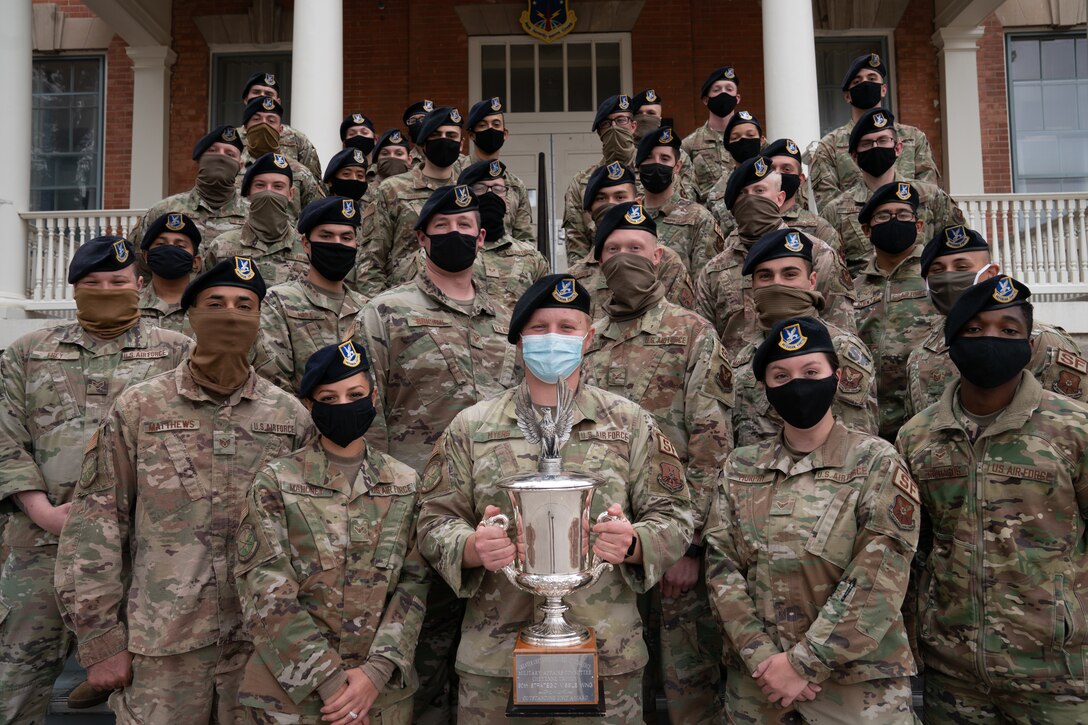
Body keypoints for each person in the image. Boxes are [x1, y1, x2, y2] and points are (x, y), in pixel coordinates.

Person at [416, 273, 694, 724]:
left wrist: (634, 542)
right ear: (519, 339)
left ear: (588, 338)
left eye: (567, 328)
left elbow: (677, 514)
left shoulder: (630, 423)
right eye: (540, 327)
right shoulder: (472, 427)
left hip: (607, 657)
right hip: (495, 663)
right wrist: (471, 547)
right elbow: (431, 520)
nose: (553, 338)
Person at [53, 258, 315, 724]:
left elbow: (310, 535)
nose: (230, 315)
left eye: (244, 305)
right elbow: (95, 526)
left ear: (258, 320)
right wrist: (100, 642)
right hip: (164, 644)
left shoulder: (289, 415)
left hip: (263, 645)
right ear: (191, 315)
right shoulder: (140, 407)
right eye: (216, 304)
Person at [0, 237, 191, 723]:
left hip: (143, 551)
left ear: (140, 286)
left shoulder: (178, 352)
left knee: (150, 692)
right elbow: (5, 437)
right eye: (94, 283)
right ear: (75, 289)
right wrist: (41, 511)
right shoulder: (27, 353)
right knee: (16, 684)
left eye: (118, 282)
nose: (107, 289)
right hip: (41, 542)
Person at [705, 316, 919, 724]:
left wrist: (803, 664)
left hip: (855, 685)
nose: (797, 384)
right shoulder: (741, 467)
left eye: (811, 372)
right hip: (759, 684)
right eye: (781, 375)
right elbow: (721, 570)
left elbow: (878, 574)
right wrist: (763, 657)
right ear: (766, 389)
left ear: (836, 378)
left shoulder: (877, 461)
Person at [357, 184, 518, 724]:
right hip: (413, 508)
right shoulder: (386, 311)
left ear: (483, 235)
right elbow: (366, 406)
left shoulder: (509, 318)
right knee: (415, 653)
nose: (455, 234)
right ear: (422, 237)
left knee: (489, 656)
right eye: (442, 227)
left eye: (465, 226)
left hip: (494, 513)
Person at [896, 275, 1088, 723]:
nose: (991, 340)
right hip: (954, 673)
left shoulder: (1073, 429)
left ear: (1029, 342)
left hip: (1058, 673)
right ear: (951, 341)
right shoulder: (918, 436)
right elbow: (911, 549)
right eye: (975, 329)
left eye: (1008, 330)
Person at [583, 202, 732, 724]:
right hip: (602, 545)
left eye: (636, 249)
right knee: (617, 682)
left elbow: (712, 443)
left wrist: (691, 545)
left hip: (673, 545)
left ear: (660, 255)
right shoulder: (585, 340)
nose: (625, 258)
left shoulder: (694, 333)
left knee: (688, 684)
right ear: (598, 261)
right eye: (613, 250)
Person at [237, 341, 428, 725]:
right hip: (293, 699)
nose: (344, 405)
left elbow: (415, 584)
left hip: (380, 696)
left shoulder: (405, 483)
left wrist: (375, 673)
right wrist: (329, 682)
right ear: (310, 405)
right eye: (329, 397)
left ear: (373, 397)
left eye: (355, 395)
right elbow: (264, 587)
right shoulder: (276, 481)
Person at [906, 224, 1088, 417]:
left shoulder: (1043, 342)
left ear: (991, 273)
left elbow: (1076, 422)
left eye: (961, 267)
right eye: (938, 270)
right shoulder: (921, 356)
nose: (949, 277)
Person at [730, 228, 878, 447]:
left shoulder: (840, 349)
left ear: (812, 281)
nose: (777, 283)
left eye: (789, 274)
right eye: (765, 276)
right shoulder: (743, 358)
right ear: (753, 286)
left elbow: (857, 444)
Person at [695, 155, 856, 351]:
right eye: (743, 193)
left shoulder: (817, 255)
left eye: (760, 190)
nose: (751, 199)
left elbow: (841, 331)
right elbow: (705, 344)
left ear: (780, 198)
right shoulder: (714, 271)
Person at [819, 108, 962, 275]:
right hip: (864, 296)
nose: (875, 147)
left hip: (924, 293)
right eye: (867, 143)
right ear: (854, 156)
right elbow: (830, 271)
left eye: (883, 140)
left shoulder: (931, 197)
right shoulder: (835, 211)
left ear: (898, 148)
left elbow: (959, 248)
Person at [851, 181, 941, 441]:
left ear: (918, 226)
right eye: (884, 216)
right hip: (868, 426)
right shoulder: (852, 289)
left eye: (903, 215)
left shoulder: (935, 277)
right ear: (867, 229)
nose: (894, 221)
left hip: (927, 422)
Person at [256, 197, 369, 395]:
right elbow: (272, 379)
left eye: (346, 238)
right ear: (306, 244)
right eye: (326, 236)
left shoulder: (368, 308)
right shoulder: (278, 301)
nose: (337, 244)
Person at [361, 106, 467, 296]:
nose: (444, 140)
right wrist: (381, 307)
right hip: (405, 303)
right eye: (436, 135)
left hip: (458, 299)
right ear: (424, 144)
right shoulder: (392, 190)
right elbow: (371, 259)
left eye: (451, 135)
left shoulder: (469, 191)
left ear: (461, 144)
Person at [809, 54, 938, 209]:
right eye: (857, 81)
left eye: (872, 79)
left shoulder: (914, 137)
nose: (865, 84)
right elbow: (829, 207)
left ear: (883, 89)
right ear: (847, 96)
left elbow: (929, 195)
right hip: (854, 229)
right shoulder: (828, 146)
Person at [567, 163, 695, 317]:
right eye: (601, 198)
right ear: (589, 210)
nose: (611, 204)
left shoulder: (665, 262)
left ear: (637, 203)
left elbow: (682, 322)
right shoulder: (577, 276)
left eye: (620, 197)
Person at [203, 151, 310, 287]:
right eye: (260, 185)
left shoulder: (307, 248)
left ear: (290, 194)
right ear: (248, 192)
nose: (268, 192)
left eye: (278, 186)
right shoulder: (221, 246)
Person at [130, 126, 247, 249]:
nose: (221, 158)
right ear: (199, 159)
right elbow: (136, 260)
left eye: (230, 154)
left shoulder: (253, 216)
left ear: (240, 165)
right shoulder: (164, 211)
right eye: (213, 151)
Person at [455, 159, 548, 309]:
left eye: (498, 189)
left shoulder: (531, 258)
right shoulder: (446, 251)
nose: (491, 195)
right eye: (480, 188)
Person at [562, 94, 640, 263]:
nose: (614, 127)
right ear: (600, 132)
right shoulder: (582, 182)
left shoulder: (653, 172)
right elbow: (576, 241)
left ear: (633, 126)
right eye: (606, 123)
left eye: (621, 120)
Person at [636, 125, 725, 275]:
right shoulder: (627, 216)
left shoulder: (699, 219)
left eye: (665, 158)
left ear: (677, 166)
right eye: (649, 158)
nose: (657, 164)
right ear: (638, 165)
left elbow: (705, 283)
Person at [236, 96, 325, 222]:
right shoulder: (233, 168)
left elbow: (318, 215)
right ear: (245, 127)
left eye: (271, 121)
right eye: (257, 119)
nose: (264, 124)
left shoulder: (300, 172)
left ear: (280, 130)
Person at [465, 97, 535, 243]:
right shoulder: (455, 176)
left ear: (504, 134)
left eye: (496, 125)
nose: (490, 129)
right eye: (483, 125)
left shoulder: (515, 185)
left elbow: (525, 239)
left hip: (505, 262)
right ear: (472, 134)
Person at [762, 138, 843, 252]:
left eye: (786, 169)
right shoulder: (748, 225)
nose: (779, 174)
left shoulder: (820, 229)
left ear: (800, 180)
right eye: (772, 169)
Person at [237, 71, 322, 179]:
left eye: (268, 94)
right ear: (246, 99)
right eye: (256, 92)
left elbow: (314, 183)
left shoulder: (298, 140)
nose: (262, 97)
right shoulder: (232, 140)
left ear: (278, 101)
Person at [682, 66, 742, 206]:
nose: (723, 94)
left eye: (729, 89)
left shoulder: (753, 141)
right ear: (706, 100)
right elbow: (685, 189)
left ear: (737, 98)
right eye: (717, 90)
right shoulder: (689, 145)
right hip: (706, 220)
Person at [138, 212, 203, 336]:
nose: (170, 250)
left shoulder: (210, 308)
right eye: (161, 244)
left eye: (180, 246)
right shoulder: (130, 307)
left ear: (195, 262)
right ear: (146, 256)